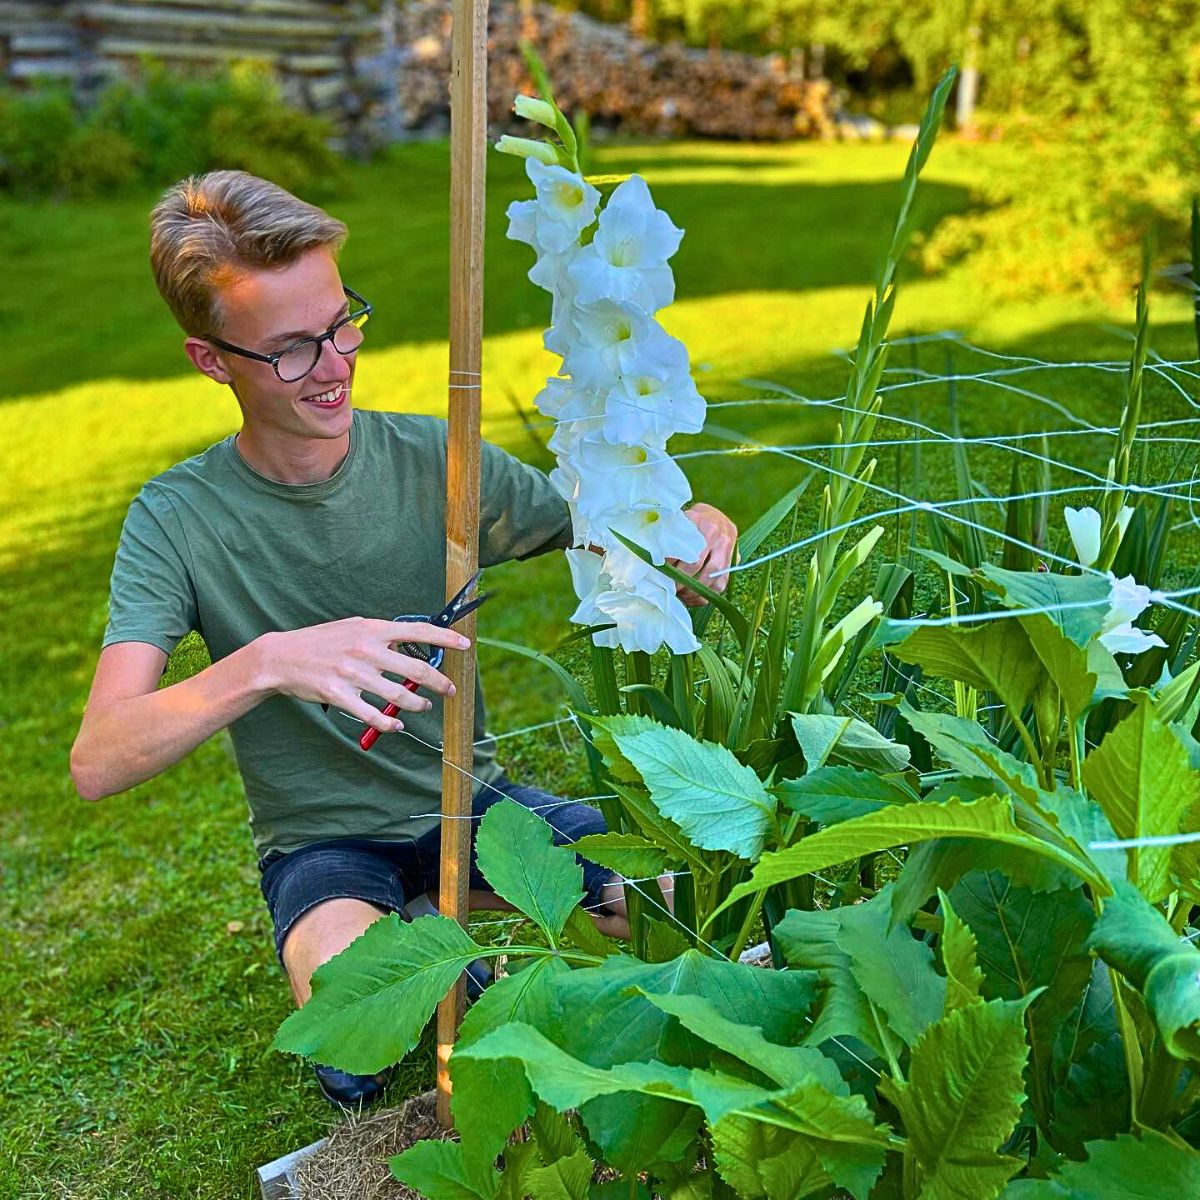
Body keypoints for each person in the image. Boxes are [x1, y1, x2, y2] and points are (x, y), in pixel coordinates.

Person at [68, 170, 737, 1109]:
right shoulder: (178, 519)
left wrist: (688, 525)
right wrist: (266, 663)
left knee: (685, 906)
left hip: (481, 812)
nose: (335, 364)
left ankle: (462, 924)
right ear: (211, 359)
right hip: (329, 850)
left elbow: (608, 532)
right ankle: (434, 939)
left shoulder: (441, 458)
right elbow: (100, 758)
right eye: (290, 350)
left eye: (342, 323)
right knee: (359, 1022)